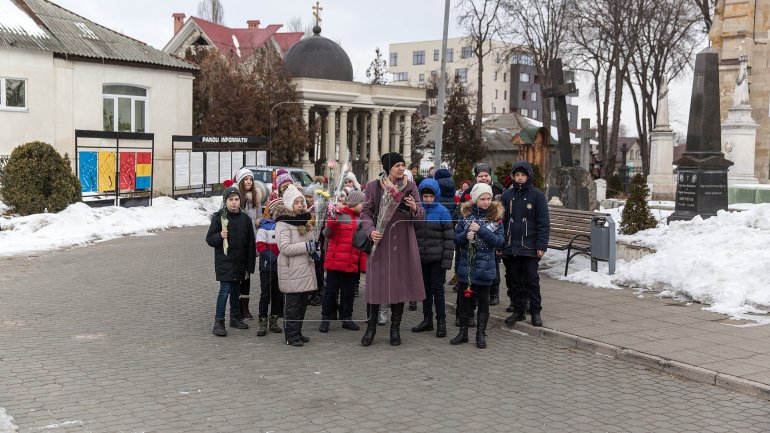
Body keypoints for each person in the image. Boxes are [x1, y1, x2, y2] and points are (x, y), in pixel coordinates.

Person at [359, 152, 425, 346]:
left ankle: (395, 330)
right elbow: (365, 213)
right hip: (381, 241)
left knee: (399, 286)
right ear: (388, 168)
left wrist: (414, 207)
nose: (401, 168)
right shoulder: (374, 187)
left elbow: (421, 215)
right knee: (376, 286)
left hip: (403, 242)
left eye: (403, 164)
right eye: (397, 165)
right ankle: (370, 329)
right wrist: (371, 231)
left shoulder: (411, 186)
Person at [451, 183, 503, 348]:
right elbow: (456, 240)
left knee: (483, 303)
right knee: (464, 302)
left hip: (485, 268)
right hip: (467, 266)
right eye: (482, 199)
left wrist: (481, 230)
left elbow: (499, 241)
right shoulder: (465, 216)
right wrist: (466, 236)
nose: (486, 202)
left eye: (489, 198)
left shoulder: (495, 217)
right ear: (475, 199)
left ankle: (480, 334)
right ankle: (463, 333)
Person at [501, 161, 549, 328]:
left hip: (530, 246)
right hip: (511, 245)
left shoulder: (537, 196)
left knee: (531, 280)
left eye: (523, 175)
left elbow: (543, 223)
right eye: (517, 175)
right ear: (513, 177)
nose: (520, 178)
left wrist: (541, 246)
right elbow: (502, 221)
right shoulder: (506, 196)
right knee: (514, 280)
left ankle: (535, 312)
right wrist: (501, 245)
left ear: (528, 176)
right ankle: (518, 310)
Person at [206, 186, 257, 337]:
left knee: (236, 291)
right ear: (225, 201)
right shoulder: (219, 218)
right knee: (225, 291)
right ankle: (219, 321)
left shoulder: (245, 219)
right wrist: (220, 235)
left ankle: (235, 317)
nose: (234, 203)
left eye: (236, 199)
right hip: (225, 262)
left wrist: (250, 266)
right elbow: (209, 239)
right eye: (231, 200)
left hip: (240, 263)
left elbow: (250, 244)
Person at [275, 184, 318, 347]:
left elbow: (310, 241)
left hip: (305, 268)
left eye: (302, 202)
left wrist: (315, 248)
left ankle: (297, 332)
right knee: (292, 305)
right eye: (296, 202)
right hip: (291, 269)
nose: (300, 205)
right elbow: (284, 248)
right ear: (289, 204)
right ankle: (291, 336)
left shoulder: (305, 221)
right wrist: (307, 247)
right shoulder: (283, 223)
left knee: (302, 305)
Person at [319, 190, 367, 333]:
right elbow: (326, 234)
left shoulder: (361, 220)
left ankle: (347, 318)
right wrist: (332, 221)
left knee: (349, 293)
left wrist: (363, 266)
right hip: (335, 263)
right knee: (330, 292)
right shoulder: (338, 215)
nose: (364, 205)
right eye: (362, 203)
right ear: (355, 203)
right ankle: (325, 318)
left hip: (351, 264)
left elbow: (363, 244)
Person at [412, 178, 454, 338]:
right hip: (422, 259)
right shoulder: (417, 211)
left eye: (431, 196)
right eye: (425, 196)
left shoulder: (443, 211)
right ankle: (427, 320)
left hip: (437, 260)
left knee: (438, 291)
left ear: (436, 195)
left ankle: (441, 322)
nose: (428, 199)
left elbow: (449, 239)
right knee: (425, 291)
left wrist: (446, 261)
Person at [234, 167, 262, 320]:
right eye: (246, 179)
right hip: (239, 242)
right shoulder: (235, 198)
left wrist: (257, 222)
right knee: (238, 275)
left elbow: (259, 216)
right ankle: (236, 308)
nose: (249, 182)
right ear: (240, 181)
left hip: (251, 240)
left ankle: (245, 308)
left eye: (250, 179)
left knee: (247, 276)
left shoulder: (256, 197)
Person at [255, 198, 284, 337]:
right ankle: (262, 322)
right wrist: (274, 259)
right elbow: (260, 246)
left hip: (281, 266)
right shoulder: (264, 227)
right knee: (265, 294)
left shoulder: (284, 226)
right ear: (272, 212)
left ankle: (274, 321)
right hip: (267, 267)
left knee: (278, 295)